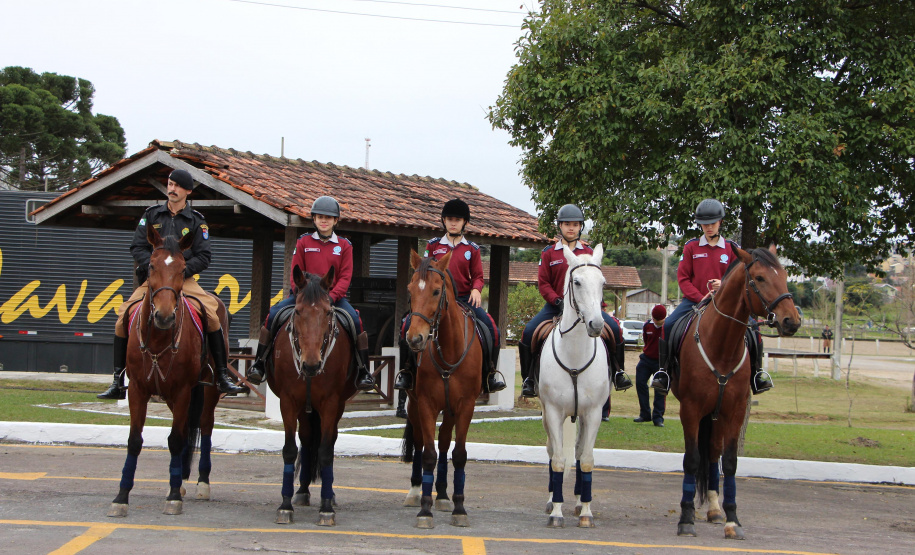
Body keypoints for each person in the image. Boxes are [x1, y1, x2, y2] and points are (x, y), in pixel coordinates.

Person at [98, 169, 246, 399]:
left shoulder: (197, 221)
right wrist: (156, 268)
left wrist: (180, 270)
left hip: (184, 280)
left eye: (177, 185)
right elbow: (137, 246)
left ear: (188, 191)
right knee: (122, 316)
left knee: (214, 317)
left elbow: (204, 256)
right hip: (154, 280)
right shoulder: (151, 215)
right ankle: (118, 379)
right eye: (169, 184)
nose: (172, 189)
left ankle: (222, 375)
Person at [245, 196, 374, 391]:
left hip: (331, 299)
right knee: (273, 314)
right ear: (314, 219)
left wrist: (330, 298)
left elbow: (345, 277)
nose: (324, 221)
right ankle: (259, 364)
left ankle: (364, 371)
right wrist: (301, 294)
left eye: (328, 218)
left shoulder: (344, 245)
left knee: (356, 321)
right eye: (320, 217)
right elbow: (295, 273)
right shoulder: (303, 242)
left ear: (336, 220)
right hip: (303, 298)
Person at [650, 198, 773, 395]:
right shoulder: (691, 247)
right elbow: (683, 278)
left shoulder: (732, 248)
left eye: (712, 223)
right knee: (669, 325)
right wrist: (700, 297)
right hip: (694, 302)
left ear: (720, 222)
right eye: (704, 224)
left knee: (753, 329)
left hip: (726, 305)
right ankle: (664, 372)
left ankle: (757, 374)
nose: (708, 227)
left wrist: (722, 285)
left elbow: (738, 279)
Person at [393, 199, 506, 394]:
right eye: (449, 219)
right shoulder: (433, 245)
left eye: (457, 220)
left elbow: (478, 276)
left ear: (464, 222)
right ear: (443, 221)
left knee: (492, 329)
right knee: (406, 325)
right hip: (436, 300)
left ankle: (490, 374)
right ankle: (407, 372)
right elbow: (424, 271)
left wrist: (476, 289)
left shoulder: (472, 249)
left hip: (464, 299)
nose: (453, 223)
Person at [519, 204, 632, 398]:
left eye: (575, 224)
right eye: (567, 224)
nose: (571, 228)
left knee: (614, 328)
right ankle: (528, 379)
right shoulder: (549, 252)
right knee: (529, 332)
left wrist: (595, 305)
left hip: (586, 307)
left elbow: (594, 282)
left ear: (580, 227)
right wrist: (557, 301)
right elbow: (544, 283)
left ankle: (618, 372)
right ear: (560, 226)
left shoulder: (589, 252)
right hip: (555, 307)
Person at [634, 305, 667, 427]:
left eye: (660, 321)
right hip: (646, 359)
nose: (657, 322)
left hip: (661, 362)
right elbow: (646, 340)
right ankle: (645, 414)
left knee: (660, 388)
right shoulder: (647, 325)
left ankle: (658, 418)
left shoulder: (667, 327)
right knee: (640, 383)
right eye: (655, 320)